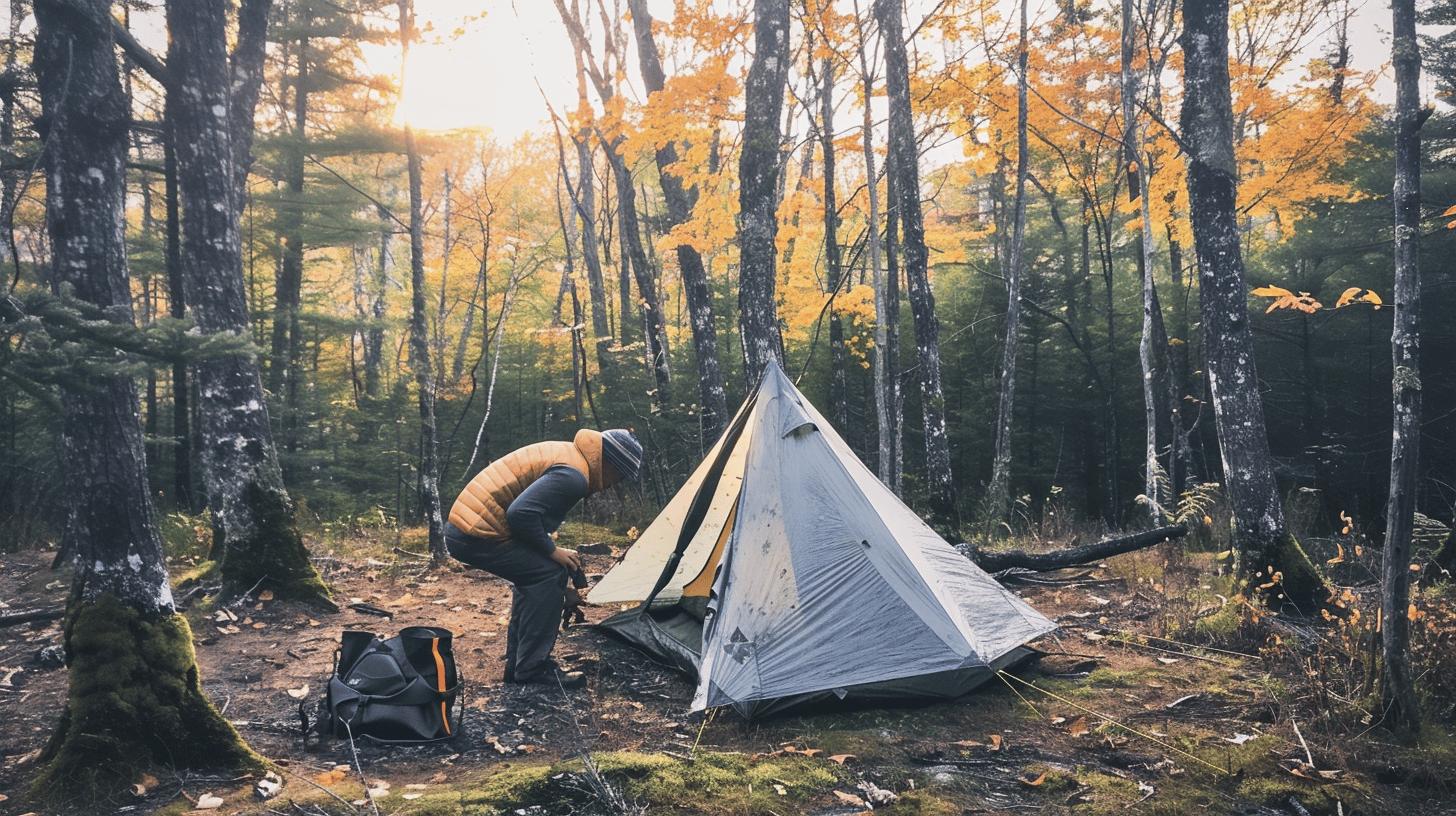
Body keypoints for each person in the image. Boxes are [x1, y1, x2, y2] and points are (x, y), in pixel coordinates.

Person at [445, 428, 642, 689]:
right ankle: (532, 669)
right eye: (619, 476)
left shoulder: (571, 457)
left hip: (468, 527)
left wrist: (560, 567)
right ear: (608, 463)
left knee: (542, 573)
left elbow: (528, 515)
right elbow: (521, 515)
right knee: (546, 573)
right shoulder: (574, 476)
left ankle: (519, 665)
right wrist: (553, 552)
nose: (614, 484)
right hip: (475, 533)